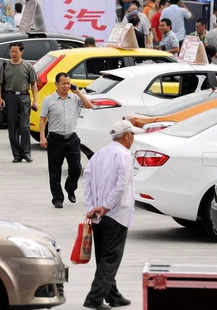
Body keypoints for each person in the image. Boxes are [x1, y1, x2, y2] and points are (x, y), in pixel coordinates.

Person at [82, 120, 143, 310]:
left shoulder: (99, 153)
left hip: (99, 214)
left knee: (103, 257)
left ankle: (113, 296)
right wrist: (106, 207)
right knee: (110, 258)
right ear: (126, 136)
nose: (133, 138)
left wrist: (92, 207)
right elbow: (121, 185)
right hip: (115, 214)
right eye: (132, 134)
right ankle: (94, 297)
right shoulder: (123, 155)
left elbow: (87, 180)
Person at [40, 73, 93, 208]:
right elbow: (43, 119)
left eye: (68, 83)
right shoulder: (49, 100)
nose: (66, 86)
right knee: (54, 171)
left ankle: (70, 188)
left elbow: (89, 105)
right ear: (56, 84)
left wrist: (78, 92)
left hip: (72, 138)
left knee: (76, 168)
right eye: (63, 83)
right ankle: (57, 198)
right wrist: (42, 137)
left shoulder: (75, 98)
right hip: (55, 139)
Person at [0, 42, 39, 163]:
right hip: (10, 98)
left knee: (24, 126)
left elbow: (33, 84)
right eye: (12, 51)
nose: (13, 54)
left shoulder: (28, 66)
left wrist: (36, 100)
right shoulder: (5, 65)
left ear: (22, 52)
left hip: (24, 97)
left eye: (16, 51)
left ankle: (26, 152)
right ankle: (16, 154)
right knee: (12, 127)